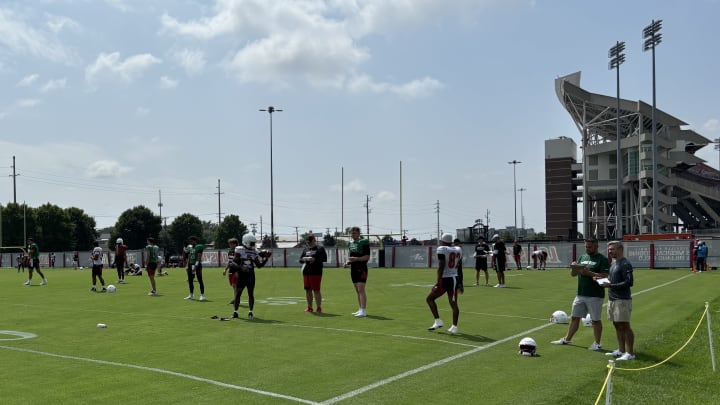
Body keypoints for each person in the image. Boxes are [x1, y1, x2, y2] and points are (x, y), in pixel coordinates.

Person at [551, 238, 610, 350]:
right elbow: (573, 274)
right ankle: (567, 339)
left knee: (595, 320)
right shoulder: (582, 257)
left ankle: (597, 344)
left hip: (595, 295)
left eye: (590, 247)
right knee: (574, 317)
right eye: (586, 246)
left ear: (596, 246)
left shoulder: (602, 259)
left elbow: (605, 277)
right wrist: (574, 267)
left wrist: (588, 273)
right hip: (581, 293)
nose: (587, 249)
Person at [601, 241, 635, 361]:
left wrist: (610, 285)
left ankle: (630, 353)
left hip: (622, 300)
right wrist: (602, 280)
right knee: (617, 325)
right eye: (609, 250)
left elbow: (629, 282)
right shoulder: (614, 263)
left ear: (620, 249)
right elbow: (613, 280)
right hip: (612, 298)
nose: (610, 252)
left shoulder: (625, 264)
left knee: (625, 326)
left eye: (612, 249)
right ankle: (621, 350)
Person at [426, 233, 461, 334]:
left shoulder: (442, 249)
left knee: (429, 299)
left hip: (445, 279)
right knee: (453, 303)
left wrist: (438, 280)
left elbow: (441, 265)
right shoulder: (458, 249)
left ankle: (438, 321)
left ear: (443, 241)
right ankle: (454, 326)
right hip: (454, 278)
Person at [229, 234, 269, 319]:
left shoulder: (254, 251)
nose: (253, 245)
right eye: (251, 243)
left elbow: (259, 265)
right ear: (246, 242)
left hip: (250, 275)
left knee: (251, 294)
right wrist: (241, 268)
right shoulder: (240, 249)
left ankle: (250, 312)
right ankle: (235, 312)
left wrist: (266, 259)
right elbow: (233, 263)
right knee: (238, 294)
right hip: (242, 275)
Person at [344, 226, 370, 318]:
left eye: (354, 233)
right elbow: (351, 257)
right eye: (352, 233)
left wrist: (357, 259)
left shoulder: (364, 242)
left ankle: (363, 310)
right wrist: (347, 262)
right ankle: (360, 309)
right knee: (357, 290)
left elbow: (367, 257)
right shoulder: (350, 243)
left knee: (361, 289)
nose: (352, 234)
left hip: (361, 268)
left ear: (359, 234)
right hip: (353, 269)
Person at [300, 234, 328, 314]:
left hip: (316, 272)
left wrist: (314, 259)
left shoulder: (320, 248)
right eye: (307, 242)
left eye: (310, 241)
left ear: (313, 240)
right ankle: (309, 307)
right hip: (306, 272)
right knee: (308, 290)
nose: (308, 243)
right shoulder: (305, 249)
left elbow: (324, 259)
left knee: (316, 290)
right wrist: (305, 259)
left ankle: (319, 308)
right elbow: (300, 259)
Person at [184, 236, 206, 301]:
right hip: (191, 265)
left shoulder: (198, 247)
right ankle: (191, 295)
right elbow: (189, 257)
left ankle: (202, 295)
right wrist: (187, 265)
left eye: (192, 241)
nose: (191, 242)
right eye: (190, 241)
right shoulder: (190, 248)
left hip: (197, 265)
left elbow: (199, 258)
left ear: (195, 241)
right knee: (190, 280)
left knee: (200, 280)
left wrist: (195, 266)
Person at [223, 238, 240, 306]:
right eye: (229, 244)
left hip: (236, 271)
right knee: (233, 286)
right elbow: (229, 262)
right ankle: (236, 298)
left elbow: (239, 262)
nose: (230, 245)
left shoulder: (237, 252)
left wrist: (238, 271)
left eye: (231, 244)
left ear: (235, 244)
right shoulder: (230, 252)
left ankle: (236, 300)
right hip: (231, 270)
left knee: (235, 285)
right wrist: (225, 269)